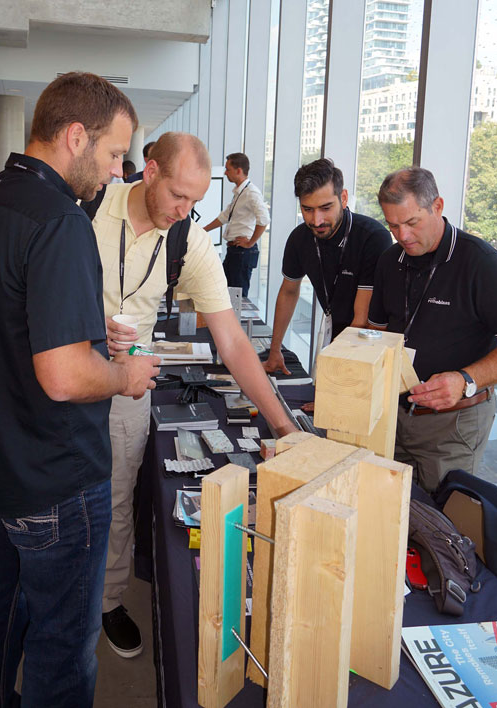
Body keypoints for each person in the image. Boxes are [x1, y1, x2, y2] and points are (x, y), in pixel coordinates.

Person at [0, 72, 160, 708]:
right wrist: (125, 376)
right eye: (116, 153)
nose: (118, 173)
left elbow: (1, 319)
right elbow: (64, 377)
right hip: (55, 478)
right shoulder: (61, 221)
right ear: (75, 137)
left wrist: (88, 331)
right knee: (61, 649)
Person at [91, 131, 297, 659]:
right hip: (64, 365)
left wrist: (284, 426)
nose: (185, 210)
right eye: (178, 196)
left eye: (195, 202)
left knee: (115, 499)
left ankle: (108, 600)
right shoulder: (91, 202)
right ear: (150, 171)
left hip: (128, 382)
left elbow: (231, 340)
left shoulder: (187, 238)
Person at [368, 166, 497, 493]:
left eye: (412, 223)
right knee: (385, 513)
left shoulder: (481, 262)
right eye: (393, 225)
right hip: (391, 416)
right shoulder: (388, 261)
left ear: (437, 206)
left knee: (439, 527)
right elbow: (375, 334)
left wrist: (466, 380)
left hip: (453, 426)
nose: (403, 236)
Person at [263, 158, 391, 408]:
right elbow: (289, 292)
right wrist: (275, 349)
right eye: (307, 209)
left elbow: (360, 321)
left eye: (325, 208)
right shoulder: (300, 238)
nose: (317, 220)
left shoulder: (373, 237)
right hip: (335, 330)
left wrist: (331, 391)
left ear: (343, 198)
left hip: (368, 342)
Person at [204, 152, 270, 297]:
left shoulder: (251, 193)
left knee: (236, 297)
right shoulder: (240, 192)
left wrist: (250, 242)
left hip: (242, 252)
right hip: (235, 251)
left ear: (238, 170)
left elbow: (264, 219)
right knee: (226, 292)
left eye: (228, 169)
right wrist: (203, 230)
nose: (225, 173)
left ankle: (235, 320)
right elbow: (224, 216)